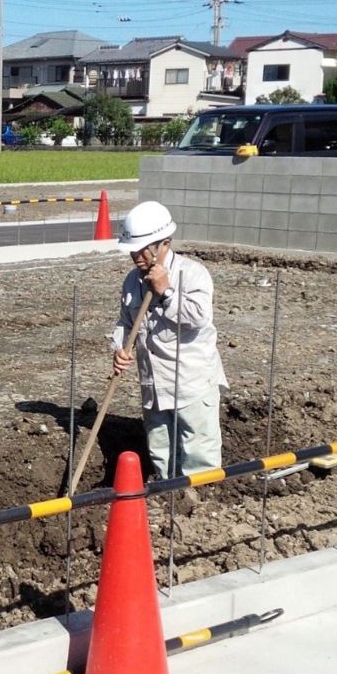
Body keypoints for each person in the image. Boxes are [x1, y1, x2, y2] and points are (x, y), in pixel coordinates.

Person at [111, 200, 227, 478]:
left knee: (198, 450)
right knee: (161, 449)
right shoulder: (132, 281)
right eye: (132, 251)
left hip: (191, 382)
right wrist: (119, 348)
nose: (136, 257)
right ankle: (167, 495)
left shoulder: (192, 273)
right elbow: (125, 322)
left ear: (164, 244)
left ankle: (199, 504)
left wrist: (167, 292)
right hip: (153, 383)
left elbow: (198, 317)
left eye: (142, 250)